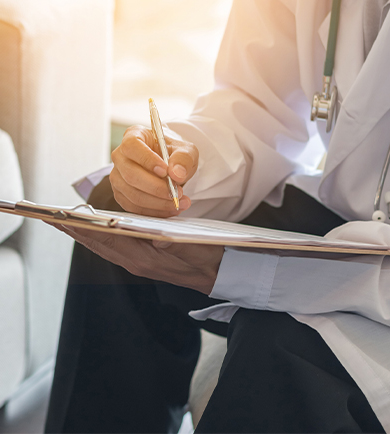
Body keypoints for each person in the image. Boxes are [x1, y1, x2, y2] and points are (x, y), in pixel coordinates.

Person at [45, 0, 390, 432]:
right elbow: (255, 104)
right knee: (123, 221)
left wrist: (248, 273)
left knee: (278, 343)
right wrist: (181, 162)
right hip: (354, 214)